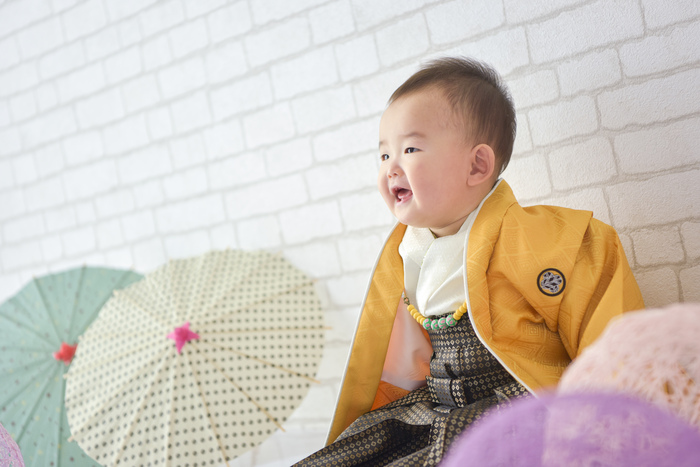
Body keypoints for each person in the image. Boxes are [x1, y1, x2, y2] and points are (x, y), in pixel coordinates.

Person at [295, 56, 644, 466]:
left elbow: (617, 348)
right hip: (435, 408)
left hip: (514, 409)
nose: (391, 168)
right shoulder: (405, 253)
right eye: (384, 155)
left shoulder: (555, 242)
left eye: (409, 148)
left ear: (477, 164)